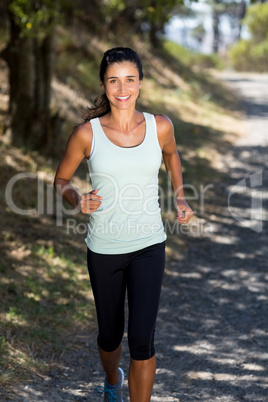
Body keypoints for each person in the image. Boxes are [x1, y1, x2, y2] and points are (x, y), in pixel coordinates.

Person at [54, 47, 193, 402]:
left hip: (149, 245)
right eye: (114, 80)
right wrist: (77, 199)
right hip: (104, 249)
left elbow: (171, 154)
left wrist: (180, 195)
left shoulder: (160, 126)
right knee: (110, 336)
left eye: (130, 79)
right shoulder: (87, 134)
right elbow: (61, 182)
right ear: (104, 84)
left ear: (141, 83)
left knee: (143, 340)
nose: (122, 88)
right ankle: (111, 380)